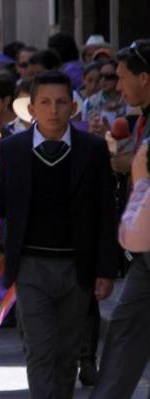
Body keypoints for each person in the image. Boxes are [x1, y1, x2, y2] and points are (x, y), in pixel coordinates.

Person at [0, 71, 118, 399]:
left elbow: (106, 212)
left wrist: (105, 270)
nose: (53, 110)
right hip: (31, 266)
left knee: (66, 355)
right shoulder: (12, 149)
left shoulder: (91, 150)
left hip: (77, 268)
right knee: (39, 350)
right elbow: (2, 204)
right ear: (30, 109)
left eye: (61, 102)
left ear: (73, 107)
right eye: (45, 103)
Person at [91, 40, 150, 399]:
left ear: (144, 78)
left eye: (124, 76)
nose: (117, 84)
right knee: (124, 331)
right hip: (144, 253)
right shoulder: (140, 120)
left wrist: (124, 161)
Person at [83, 59, 127, 134]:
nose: (103, 80)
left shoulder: (129, 100)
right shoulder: (89, 103)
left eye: (109, 76)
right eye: (101, 76)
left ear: (118, 77)